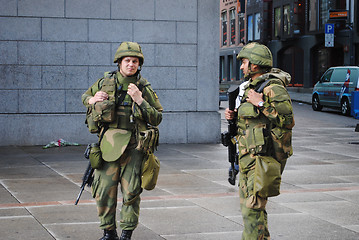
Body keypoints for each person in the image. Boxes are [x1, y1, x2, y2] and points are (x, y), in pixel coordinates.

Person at [82, 42, 163, 240]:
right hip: (108, 146)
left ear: (139, 64)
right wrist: (92, 100)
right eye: (127, 60)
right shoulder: (105, 83)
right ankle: (108, 232)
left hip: (135, 147)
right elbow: (85, 96)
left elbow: (157, 117)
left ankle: (126, 234)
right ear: (119, 62)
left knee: (131, 193)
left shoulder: (143, 87)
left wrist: (140, 100)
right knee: (103, 190)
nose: (131, 64)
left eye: (135, 61)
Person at [225, 42, 294, 239]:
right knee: (252, 212)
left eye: (244, 62)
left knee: (252, 211)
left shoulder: (273, 88)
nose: (241, 66)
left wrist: (261, 103)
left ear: (255, 65)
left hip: (262, 160)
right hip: (248, 158)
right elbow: (254, 120)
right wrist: (235, 115)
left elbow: (287, 121)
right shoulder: (251, 88)